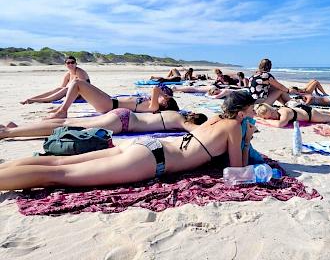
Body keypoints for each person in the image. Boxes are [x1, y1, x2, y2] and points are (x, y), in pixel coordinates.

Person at [0, 91, 257, 191]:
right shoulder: (234, 126)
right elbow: (236, 170)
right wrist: (245, 141)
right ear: (243, 111)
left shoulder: (213, 119)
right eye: (253, 110)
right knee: (60, 175)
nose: (255, 113)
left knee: (57, 163)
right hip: (152, 160)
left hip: (146, 146)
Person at [0, 110, 208, 139]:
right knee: (68, 128)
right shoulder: (181, 121)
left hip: (122, 115)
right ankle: (8, 133)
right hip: (124, 123)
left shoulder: (175, 113)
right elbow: (201, 131)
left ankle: (12, 128)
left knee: (67, 121)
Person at [45, 81, 179, 119]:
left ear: (165, 103)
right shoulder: (151, 103)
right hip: (110, 101)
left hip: (108, 105)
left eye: (165, 99)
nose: (163, 97)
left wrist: (165, 94)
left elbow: (156, 88)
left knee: (77, 84)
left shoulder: (154, 107)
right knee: (79, 85)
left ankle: (63, 111)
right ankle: (61, 109)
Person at [20, 56, 90, 105]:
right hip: (74, 93)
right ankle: (31, 99)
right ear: (65, 65)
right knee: (59, 89)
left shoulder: (79, 72)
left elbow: (83, 87)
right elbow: (61, 88)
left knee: (66, 89)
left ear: (76, 64)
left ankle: (38, 100)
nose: (70, 64)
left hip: (83, 94)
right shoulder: (68, 74)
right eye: (68, 63)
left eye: (72, 62)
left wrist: (67, 91)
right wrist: (63, 92)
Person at [255, 103, 330, 128]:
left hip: (310, 115)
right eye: (268, 117)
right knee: (325, 114)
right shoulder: (274, 112)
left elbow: (280, 124)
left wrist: (266, 121)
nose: (272, 118)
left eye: (271, 115)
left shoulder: (284, 113)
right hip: (300, 109)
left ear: (272, 109)